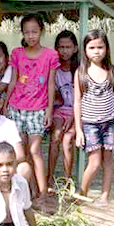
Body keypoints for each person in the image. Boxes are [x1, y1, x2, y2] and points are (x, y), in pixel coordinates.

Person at [5, 15, 59, 201]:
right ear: (22, 33)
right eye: (27, 32)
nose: (31, 36)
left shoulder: (51, 55)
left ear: (41, 31)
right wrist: (5, 105)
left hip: (38, 109)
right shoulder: (17, 53)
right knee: (22, 153)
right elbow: (13, 80)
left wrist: (49, 111)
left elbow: (51, 84)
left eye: (34, 31)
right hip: (17, 107)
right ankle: (29, 190)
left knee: (35, 150)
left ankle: (43, 192)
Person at [73, 29, 114, 205]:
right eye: (92, 47)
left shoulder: (112, 72)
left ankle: (104, 196)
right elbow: (77, 102)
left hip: (109, 122)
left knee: (108, 161)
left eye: (100, 47)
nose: (96, 51)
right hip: (90, 123)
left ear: (106, 49)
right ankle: (82, 193)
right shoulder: (81, 73)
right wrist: (78, 130)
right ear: (85, 50)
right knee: (94, 163)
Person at [47, 30, 78, 188]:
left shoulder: (79, 69)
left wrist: (74, 117)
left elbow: (82, 99)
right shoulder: (55, 68)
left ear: (75, 48)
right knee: (56, 136)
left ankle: (67, 180)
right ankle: (49, 177)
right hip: (60, 111)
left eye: (68, 47)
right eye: (61, 47)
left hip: (77, 113)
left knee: (67, 141)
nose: (64, 51)